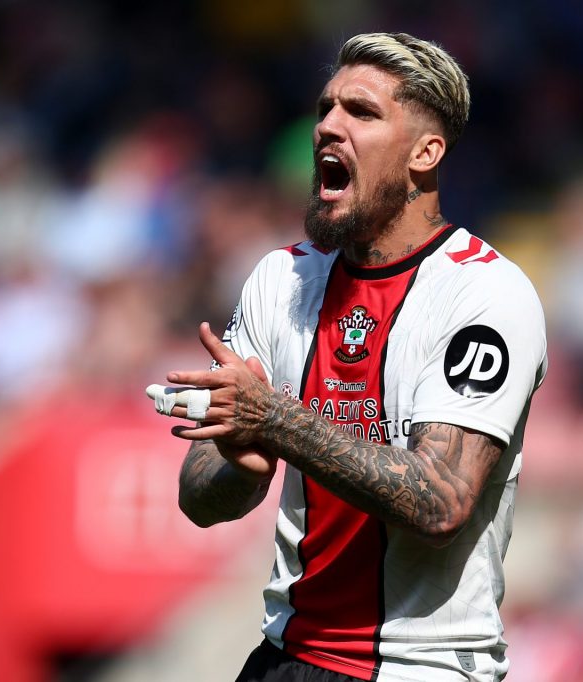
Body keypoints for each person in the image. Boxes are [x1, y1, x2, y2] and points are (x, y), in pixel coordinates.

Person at [150, 32, 547, 682]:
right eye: (325, 108)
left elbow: (440, 501)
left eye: (361, 112)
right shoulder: (281, 282)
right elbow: (198, 499)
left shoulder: (484, 293)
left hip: (424, 667)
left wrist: (276, 423)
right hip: (286, 657)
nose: (328, 127)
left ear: (425, 152)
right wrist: (241, 470)